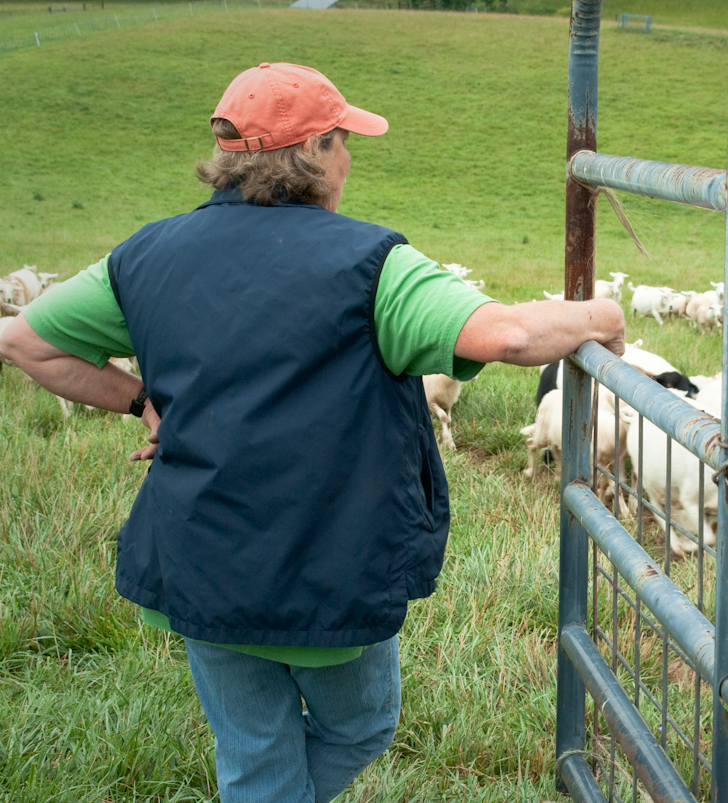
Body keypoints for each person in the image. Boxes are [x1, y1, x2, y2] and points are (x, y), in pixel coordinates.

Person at [0, 62, 624, 802]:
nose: (350, 157)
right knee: (360, 726)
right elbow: (511, 334)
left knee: (254, 756)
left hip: (200, 560)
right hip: (328, 567)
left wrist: (142, 402)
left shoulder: (144, 256)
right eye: (343, 140)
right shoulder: (372, 266)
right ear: (316, 151)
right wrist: (602, 316)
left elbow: (24, 342)